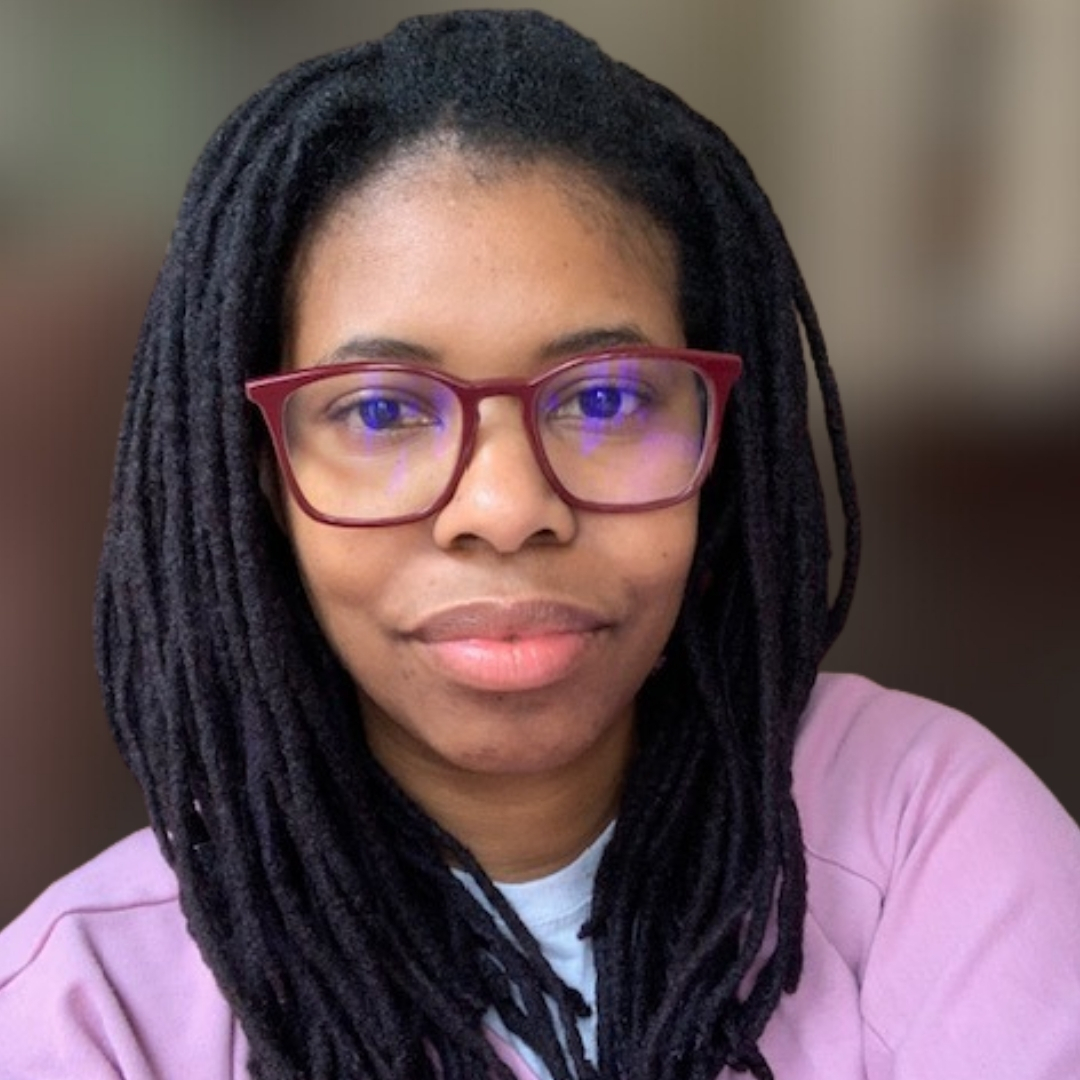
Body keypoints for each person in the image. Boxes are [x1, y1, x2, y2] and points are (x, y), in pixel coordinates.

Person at [1, 10, 1078, 1080]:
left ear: (723, 450)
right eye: (380, 412)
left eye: (606, 399)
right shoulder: (85, 1015)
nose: (507, 508)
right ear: (260, 482)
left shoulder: (924, 838)